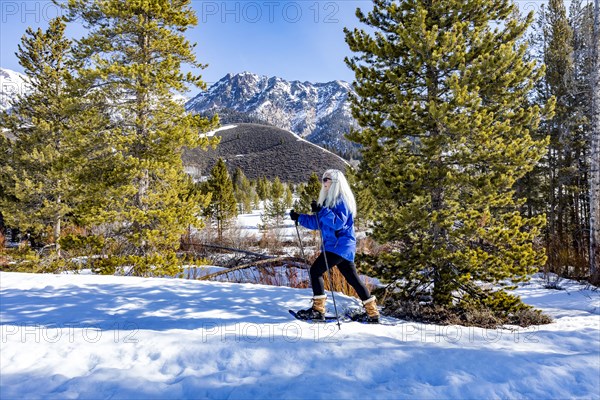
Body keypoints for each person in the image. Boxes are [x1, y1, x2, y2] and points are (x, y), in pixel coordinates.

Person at [290, 169, 380, 323]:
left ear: (336, 183)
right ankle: (372, 314)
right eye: (323, 179)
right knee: (353, 279)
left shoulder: (341, 201)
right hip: (340, 246)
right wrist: (300, 217)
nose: (323, 182)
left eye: (327, 179)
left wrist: (322, 211)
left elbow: (338, 223)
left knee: (315, 271)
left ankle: (318, 310)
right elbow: (318, 223)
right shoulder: (328, 201)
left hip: (339, 245)